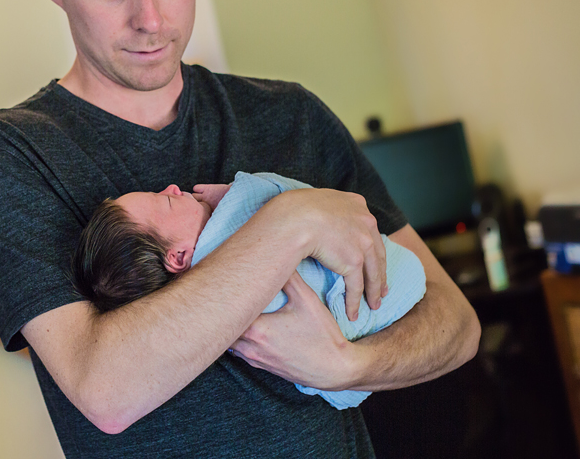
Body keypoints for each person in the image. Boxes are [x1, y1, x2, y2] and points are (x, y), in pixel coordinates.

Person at [0, 0, 480, 458]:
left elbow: (456, 324)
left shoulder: (289, 115)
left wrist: (344, 366)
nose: (150, 19)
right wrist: (292, 219)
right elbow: (106, 390)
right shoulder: (10, 155)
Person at [72, 171, 428, 409]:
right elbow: (287, 198)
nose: (173, 188)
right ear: (179, 257)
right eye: (164, 200)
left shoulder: (215, 318)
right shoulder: (233, 235)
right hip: (383, 289)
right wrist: (238, 193)